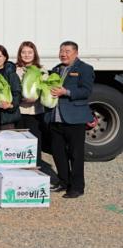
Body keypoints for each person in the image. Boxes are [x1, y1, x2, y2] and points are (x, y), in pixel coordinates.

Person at [45, 41, 94, 199]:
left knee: (76, 154)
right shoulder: (56, 69)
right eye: (61, 51)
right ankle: (64, 182)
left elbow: (86, 91)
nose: (63, 54)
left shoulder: (85, 69)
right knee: (58, 153)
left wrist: (66, 92)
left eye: (67, 51)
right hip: (56, 118)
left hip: (74, 119)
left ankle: (77, 187)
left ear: (76, 53)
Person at [15, 41, 47, 164]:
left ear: (35, 54)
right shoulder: (15, 69)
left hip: (35, 111)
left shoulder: (41, 70)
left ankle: (35, 166)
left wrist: (36, 97)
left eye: (30, 52)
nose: (26, 55)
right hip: (18, 111)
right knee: (19, 142)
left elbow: (45, 88)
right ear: (19, 54)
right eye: (23, 52)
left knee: (34, 141)